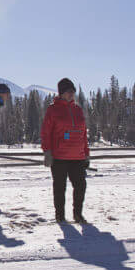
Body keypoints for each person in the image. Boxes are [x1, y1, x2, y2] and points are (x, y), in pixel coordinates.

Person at [41, 79, 90, 224]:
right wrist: (47, 152)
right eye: (69, 91)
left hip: (78, 156)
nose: (72, 94)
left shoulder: (78, 110)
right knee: (60, 187)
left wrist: (86, 153)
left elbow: (83, 134)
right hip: (59, 156)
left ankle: (78, 215)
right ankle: (60, 216)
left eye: (73, 91)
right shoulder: (53, 109)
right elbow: (46, 132)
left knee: (81, 186)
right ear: (61, 93)